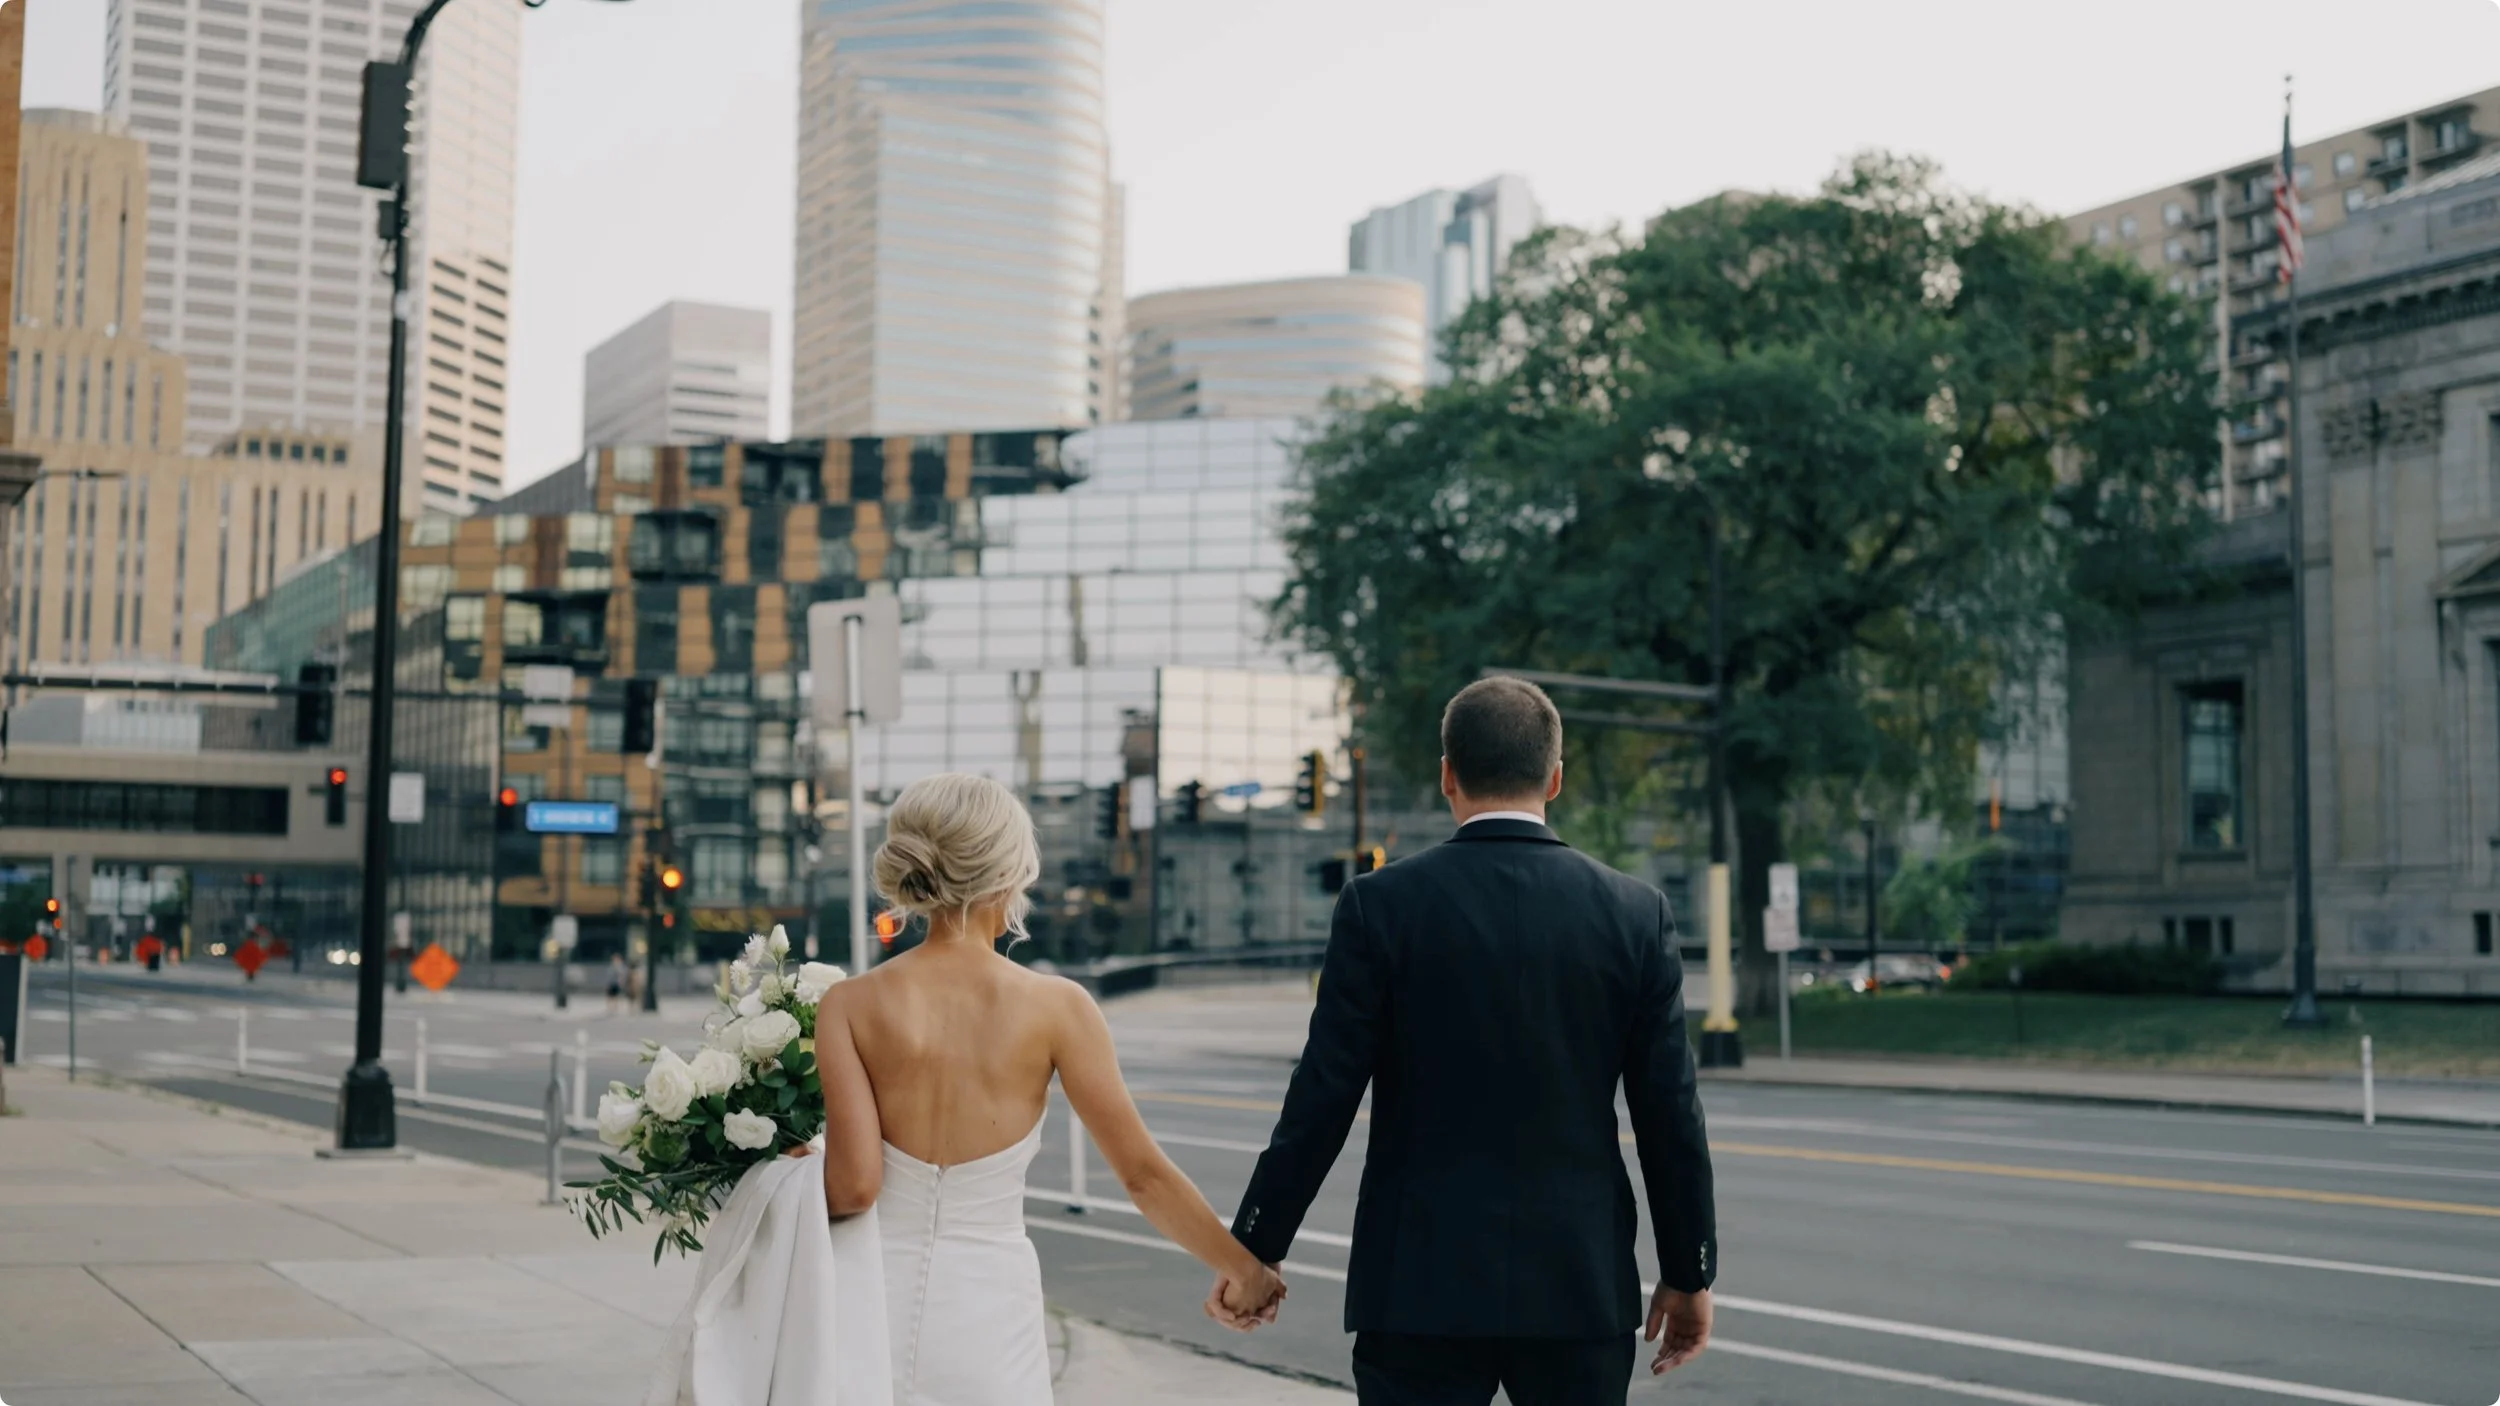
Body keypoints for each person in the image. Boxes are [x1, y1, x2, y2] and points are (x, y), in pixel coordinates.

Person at [1218, 677, 1718, 1403]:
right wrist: (1688, 1270)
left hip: (1417, 1287)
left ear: (1447, 775)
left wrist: (1255, 1252)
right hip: (1577, 1287)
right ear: (1555, 779)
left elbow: (1321, 1099)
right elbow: (1671, 1117)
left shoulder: (1379, 907)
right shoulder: (1637, 914)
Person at [807, 772, 1287, 1405]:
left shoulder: (847, 1004)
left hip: (863, 1305)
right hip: (989, 1312)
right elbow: (1143, 1176)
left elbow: (852, 1188)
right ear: (1009, 877)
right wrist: (1244, 1271)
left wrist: (781, 1172)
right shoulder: (1057, 1006)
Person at [605, 951, 628, 1015]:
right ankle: (610, 1008)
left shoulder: (621, 966)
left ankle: (615, 1008)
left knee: (615, 996)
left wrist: (622, 982)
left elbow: (622, 975)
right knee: (609, 996)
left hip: (616, 983)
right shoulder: (612, 966)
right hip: (611, 982)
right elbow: (609, 974)